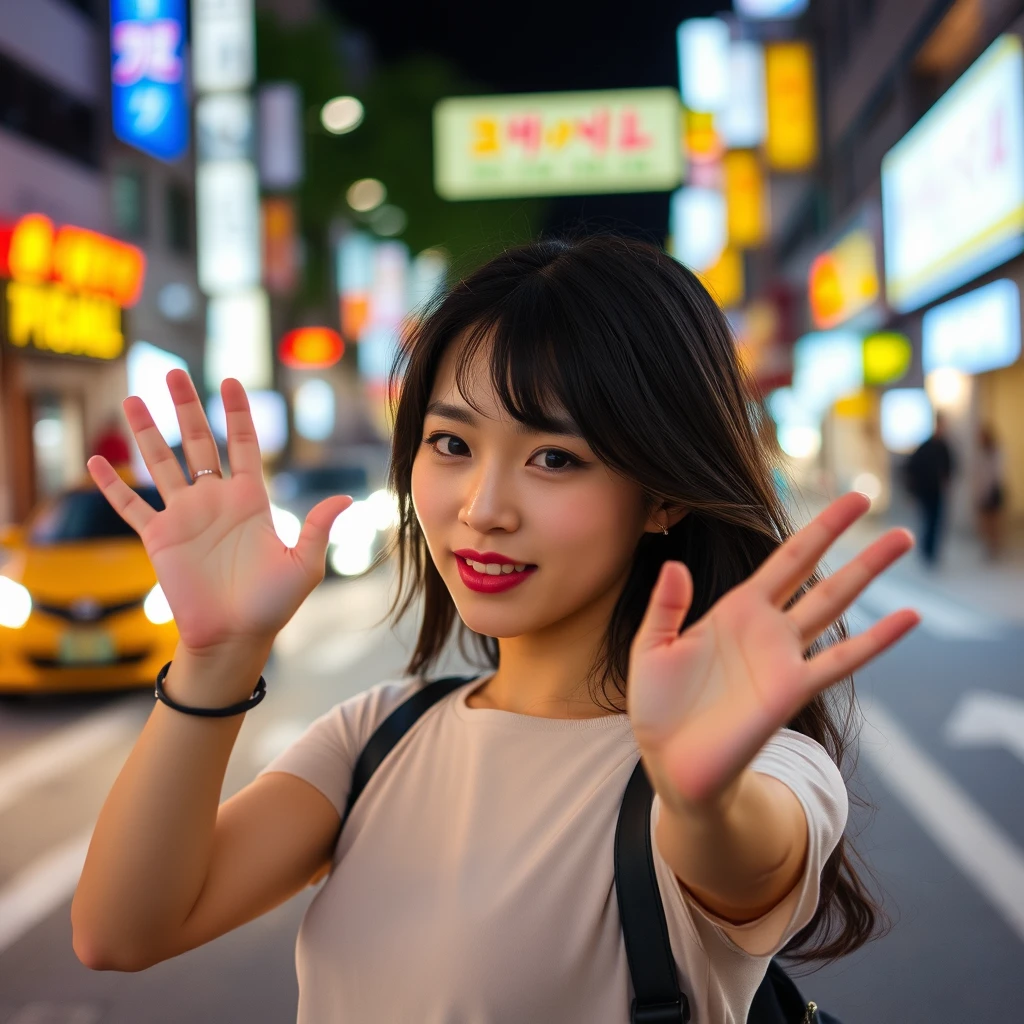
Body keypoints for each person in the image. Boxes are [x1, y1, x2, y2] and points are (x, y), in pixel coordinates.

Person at [71, 237, 919, 1023]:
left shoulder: (746, 764)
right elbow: (121, 933)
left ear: (663, 494)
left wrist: (698, 797)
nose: (482, 509)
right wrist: (216, 657)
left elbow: (745, 855)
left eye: (555, 457)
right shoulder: (377, 736)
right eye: (450, 443)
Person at [904, 412, 956, 566]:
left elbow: (951, 466)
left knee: (937, 521)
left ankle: (932, 551)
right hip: (925, 491)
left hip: (937, 491)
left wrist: (946, 480)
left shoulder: (944, 446)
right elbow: (912, 468)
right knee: (928, 520)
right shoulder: (925, 447)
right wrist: (914, 490)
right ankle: (926, 551)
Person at [975, 424, 1007, 560]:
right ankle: (990, 546)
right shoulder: (982, 453)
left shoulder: (995, 453)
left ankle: (994, 547)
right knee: (986, 522)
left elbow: (996, 475)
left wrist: (987, 490)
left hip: (993, 491)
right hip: (984, 491)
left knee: (994, 521)